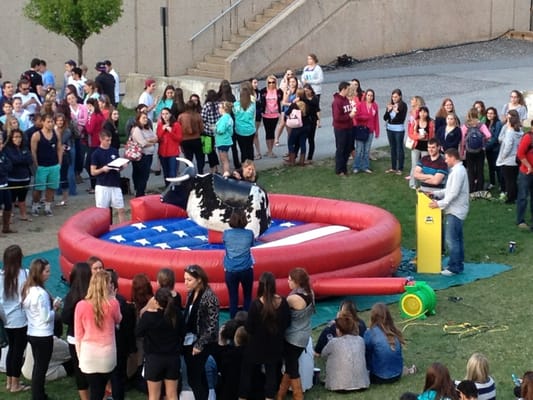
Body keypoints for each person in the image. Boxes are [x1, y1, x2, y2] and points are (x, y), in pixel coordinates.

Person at [239, 272, 290, 400]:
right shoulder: (282, 302)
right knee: (271, 374)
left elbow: (249, 327)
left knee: (247, 373)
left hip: (255, 347)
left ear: (260, 286)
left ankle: (243, 397)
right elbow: (287, 322)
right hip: (275, 346)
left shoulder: (255, 305)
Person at [74, 270, 122, 400]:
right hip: (107, 356)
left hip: (88, 356)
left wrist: (80, 357)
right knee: (99, 390)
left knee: (95, 390)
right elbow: (118, 320)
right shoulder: (113, 304)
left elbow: (78, 336)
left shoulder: (81, 306)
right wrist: (113, 298)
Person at [22, 258, 61, 400]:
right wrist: (55, 308)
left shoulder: (28, 289)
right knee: (41, 368)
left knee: (38, 366)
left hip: (32, 332)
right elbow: (46, 317)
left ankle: (38, 394)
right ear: (39, 273)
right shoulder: (41, 294)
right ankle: (38, 396)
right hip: (43, 334)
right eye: (47, 271)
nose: (49, 274)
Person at [136, 287, 183, 400]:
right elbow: (183, 333)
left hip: (154, 359)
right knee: (172, 394)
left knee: (154, 396)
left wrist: (147, 308)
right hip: (173, 358)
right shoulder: (177, 314)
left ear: (156, 301)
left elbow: (138, 332)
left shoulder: (149, 317)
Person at [429, 147, 470, 276]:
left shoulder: (458, 172)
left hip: (455, 210)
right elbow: (449, 190)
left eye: (446, 158)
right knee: (457, 238)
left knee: (452, 240)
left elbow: (453, 193)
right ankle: (458, 263)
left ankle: (454, 267)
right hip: (456, 209)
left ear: (453, 157)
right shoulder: (458, 171)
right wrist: (435, 194)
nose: (445, 161)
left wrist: (439, 204)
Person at [182, 264, 219, 400]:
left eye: (189, 280)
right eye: (185, 279)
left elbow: (212, 325)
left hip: (201, 344)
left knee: (196, 379)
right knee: (195, 378)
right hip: (189, 341)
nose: (185, 283)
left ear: (199, 280)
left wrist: (200, 344)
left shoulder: (210, 297)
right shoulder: (191, 293)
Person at [277, 268, 314, 400]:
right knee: (290, 366)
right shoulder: (310, 293)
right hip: (304, 336)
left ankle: (298, 396)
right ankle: (280, 395)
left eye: (290, 280)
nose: (288, 282)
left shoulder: (293, 298)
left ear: (297, 282)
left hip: (293, 337)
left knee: (292, 368)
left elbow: (281, 310)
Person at [0, 245, 29, 392]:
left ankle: (9, 382)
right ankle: (15, 384)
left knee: (12, 350)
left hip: (6, 320)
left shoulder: (0, 276)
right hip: (20, 320)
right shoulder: (24, 274)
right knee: (17, 352)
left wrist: (4, 318)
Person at [61, 262, 92, 400]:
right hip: (90, 338)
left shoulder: (71, 296)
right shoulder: (92, 296)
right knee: (93, 369)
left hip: (75, 338)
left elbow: (65, 317)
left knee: (79, 369)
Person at [364, 302, 414, 383]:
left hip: (379, 377)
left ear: (372, 316)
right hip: (397, 374)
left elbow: (365, 351)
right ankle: (406, 370)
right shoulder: (394, 331)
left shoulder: (370, 333)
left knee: (366, 352)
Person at [321, 312, 369, 392]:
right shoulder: (360, 340)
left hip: (339, 386)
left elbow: (323, 354)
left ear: (338, 330)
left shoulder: (333, 342)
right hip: (362, 384)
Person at [223, 209, 254, 318]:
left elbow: (226, 248)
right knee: (247, 296)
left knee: (233, 298)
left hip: (231, 270)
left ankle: (233, 322)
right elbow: (251, 245)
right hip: (246, 269)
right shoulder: (249, 234)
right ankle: (247, 321)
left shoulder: (226, 234)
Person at [90, 130, 127, 223]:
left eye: (110, 140)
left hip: (115, 183)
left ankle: (122, 228)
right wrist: (102, 169)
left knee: (121, 209)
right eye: (107, 140)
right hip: (103, 185)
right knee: (102, 211)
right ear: (101, 140)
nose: (109, 142)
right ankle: (103, 229)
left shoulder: (114, 151)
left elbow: (118, 166)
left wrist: (122, 166)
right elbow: (93, 172)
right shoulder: (96, 154)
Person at [30, 113, 63, 217]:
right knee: (38, 189)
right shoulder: (37, 135)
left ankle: (48, 207)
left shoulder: (56, 133)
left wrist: (59, 163)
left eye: (52, 121)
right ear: (43, 122)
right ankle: (35, 205)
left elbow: (59, 148)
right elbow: (33, 151)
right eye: (48, 121)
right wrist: (36, 165)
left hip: (54, 165)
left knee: (51, 188)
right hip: (42, 166)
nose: (50, 124)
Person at [460, 108, 491, 193]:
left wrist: (462, 151)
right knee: (480, 170)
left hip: (469, 151)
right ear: (477, 115)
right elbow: (488, 135)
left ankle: (471, 188)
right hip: (480, 151)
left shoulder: (465, 126)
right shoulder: (481, 125)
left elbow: (462, 140)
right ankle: (480, 188)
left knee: (470, 170)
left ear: (468, 115)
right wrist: (483, 140)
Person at [496, 109, 523, 204]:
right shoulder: (519, 131)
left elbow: (508, 145)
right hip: (516, 158)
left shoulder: (510, 132)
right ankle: (515, 196)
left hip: (508, 159)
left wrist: (503, 156)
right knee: (514, 179)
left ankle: (510, 198)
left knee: (509, 180)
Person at [130, 111, 158, 197]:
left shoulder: (148, 128)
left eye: (146, 118)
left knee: (145, 176)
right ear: (138, 119)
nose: (145, 119)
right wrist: (151, 141)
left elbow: (156, 138)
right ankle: (139, 194)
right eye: (143, 118)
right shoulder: (137, 130)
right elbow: (143, 143)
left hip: (149, 155)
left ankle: (141, 192)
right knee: (142, 176)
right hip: (141, 156)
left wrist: (148, 140)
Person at [352, 88, 379, 174]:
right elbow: (356, 117)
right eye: (368, 95)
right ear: (365, 96)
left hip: (370, 130)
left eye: (371, 95)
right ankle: (356, 166)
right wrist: (364, 117)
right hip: (361, 129)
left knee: (367, 150)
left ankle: (365, 166)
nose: (370, 97)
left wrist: (377, 130)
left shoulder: (375, 106)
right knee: (359, 149)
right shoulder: (360, 105)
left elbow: (376, 119)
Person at [332, 81, 356, 176]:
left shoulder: (346, 100)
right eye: (348, 89)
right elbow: (337, 118)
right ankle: (339, 170)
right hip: (340, 129)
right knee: (341, 149)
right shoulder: (337, 102)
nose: (349, 91)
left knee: (347, 148)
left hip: (348, 127)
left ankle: (344, 168)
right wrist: (349, 116)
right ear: (344, 89)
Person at [407, 106, 435, 188]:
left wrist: (428, 139)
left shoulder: (430, 123)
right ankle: (412, 183)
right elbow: (410, 134)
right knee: (414, 165)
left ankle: (424, 183)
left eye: (424, 112)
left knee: (425, 166)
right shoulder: (415, 122)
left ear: (427, 113)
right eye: (421, 112)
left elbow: (433, 135)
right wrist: (418, 137)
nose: (423, 114)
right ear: (418, 113)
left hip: (426, 147)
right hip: (416, 146)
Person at [384, 88, 408, 175]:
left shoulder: (403, 106)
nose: (394, 99)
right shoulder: (391, 105)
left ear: (400, 97)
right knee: (392, 148)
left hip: (398, 130)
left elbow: (401, 119)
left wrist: (396, 111)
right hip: (390, 129)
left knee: (399, 148)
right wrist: (388, 110)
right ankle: (393, 167)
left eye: (396, 97)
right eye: (393, 97)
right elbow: (385, 118)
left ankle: (400, 168)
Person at [84, 97, 106, 193]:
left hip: (94, 142)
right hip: (98, 141)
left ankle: (95, 185)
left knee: (89, 164)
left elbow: (90, 129)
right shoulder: (100, 115)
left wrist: (86, 123)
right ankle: (96, 184)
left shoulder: (94, 116)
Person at [156, 107, 183, 185]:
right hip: (163, 153)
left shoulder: (176, 125)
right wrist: (162, 129)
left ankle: (173, 189)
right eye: (163, 114)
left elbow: (179, 139)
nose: (165, 116)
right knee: (166, 173)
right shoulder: (160, 125)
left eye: (167, 114)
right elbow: (158, 138)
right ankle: (167, 189)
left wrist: (171, 132)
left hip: (173, 153)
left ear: (170, 114)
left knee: (172, 173)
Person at [259, 75, 283, 158]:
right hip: (266, 114)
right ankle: (269, 149)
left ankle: (270, 150)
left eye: (273, 82)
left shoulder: (279, 92)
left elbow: (281, 100)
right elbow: (260, 101)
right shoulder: (263, 91)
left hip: (275, 114)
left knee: (272, 132)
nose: (271, 84)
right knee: (267, 132)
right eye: (269, 82)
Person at [178, 100, 205, 174]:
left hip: (185, 140)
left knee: (188, 159)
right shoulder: (198, 115)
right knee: (200, 158)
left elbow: (178, 129)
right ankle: (200, 173)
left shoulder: (181, 116)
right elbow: (202, 129)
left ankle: (190, 173)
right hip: (197, 139)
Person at [233, 86, 256, 162]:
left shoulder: (236, 105)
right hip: (250, 129)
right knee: (250, 148)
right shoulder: (252, 105)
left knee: (243, 150)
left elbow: (234, 114)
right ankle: (251, 166)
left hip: (240, 130)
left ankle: (245, 167)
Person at [516, 127, 533, 229]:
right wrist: (529, 166)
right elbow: (520, 154)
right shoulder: (528, 137)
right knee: (523, 196)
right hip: (526, 172)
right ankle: (520, 221)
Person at [201, 89, 221, 174]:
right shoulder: (219, 105)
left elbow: (202, 118)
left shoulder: (206, 106)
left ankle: (213, 168)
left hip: (207, 130)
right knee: (214, 150)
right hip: (216, 130)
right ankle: (216, 167)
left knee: (208, 150)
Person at [484, 107, 503, 191]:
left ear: (495, 114)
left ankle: (501, 184)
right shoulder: (486, 124)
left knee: (497, 167)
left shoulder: (498, 123)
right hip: (488, 149)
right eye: (488, 113)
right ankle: (492, 183)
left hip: (495, 149)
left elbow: (496, 137)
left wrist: (486, 146)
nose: (489, 115)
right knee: (491, 167)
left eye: (491, 113)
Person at [0, 133, 15, 233]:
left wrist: (3, 169)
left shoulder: (3, 154)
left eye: (1, 142)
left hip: (5, 184)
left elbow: (10, 166)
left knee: (8, 205)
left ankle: (6, 227)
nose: (1, 145)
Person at [215, 101, 234, 177]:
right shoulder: (229, 117)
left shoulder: (224, 118)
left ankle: (226, 174)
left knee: (224, 160)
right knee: (225, 159)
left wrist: (215, 129)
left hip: (222, 141)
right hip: (227, 140)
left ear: (224, 109)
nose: (218, 109)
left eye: (220, 107)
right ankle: (225, 173)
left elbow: (220, 130)